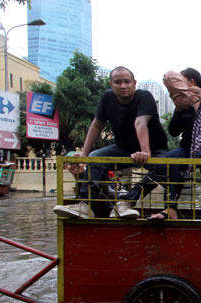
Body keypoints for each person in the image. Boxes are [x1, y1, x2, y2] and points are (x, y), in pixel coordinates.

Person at [53, 66, 169, 219]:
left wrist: (145, 151)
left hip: (153, 148)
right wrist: (84, 154)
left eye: (127, 82)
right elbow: (96, 125)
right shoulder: (107, 98)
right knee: (95, 159)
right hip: (122, 147)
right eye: (118, 82)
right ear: (111, 84)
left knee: (165, 167)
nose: (123, 86)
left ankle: (126, 202)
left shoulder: (144, 96)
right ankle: (85, 205)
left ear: (134, 83)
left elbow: (140, 122)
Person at [151, 68, 201, 221]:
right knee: (171, 157)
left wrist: (198, 103)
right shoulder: (182, 104)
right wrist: (178, 109)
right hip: (187, 148)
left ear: (191, 82)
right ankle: (171, 207)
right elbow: (173, 131)